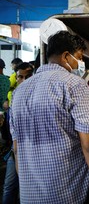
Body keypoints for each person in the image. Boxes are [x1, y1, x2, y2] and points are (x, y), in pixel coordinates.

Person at [9, 31, 89, 204]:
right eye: (80, 57)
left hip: (30, 195)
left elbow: (16, 149)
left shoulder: (18, 92)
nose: (81, 63)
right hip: (67, 192)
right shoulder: (74, 84)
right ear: (66, 56)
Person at [2, 62, 34, 204]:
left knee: (27, 188)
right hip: (15, 151)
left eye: (27, 77)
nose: (23, 81)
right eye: (20, 77)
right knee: (9, 186)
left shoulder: (37, 95)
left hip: (31, 151)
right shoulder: (13, 96)